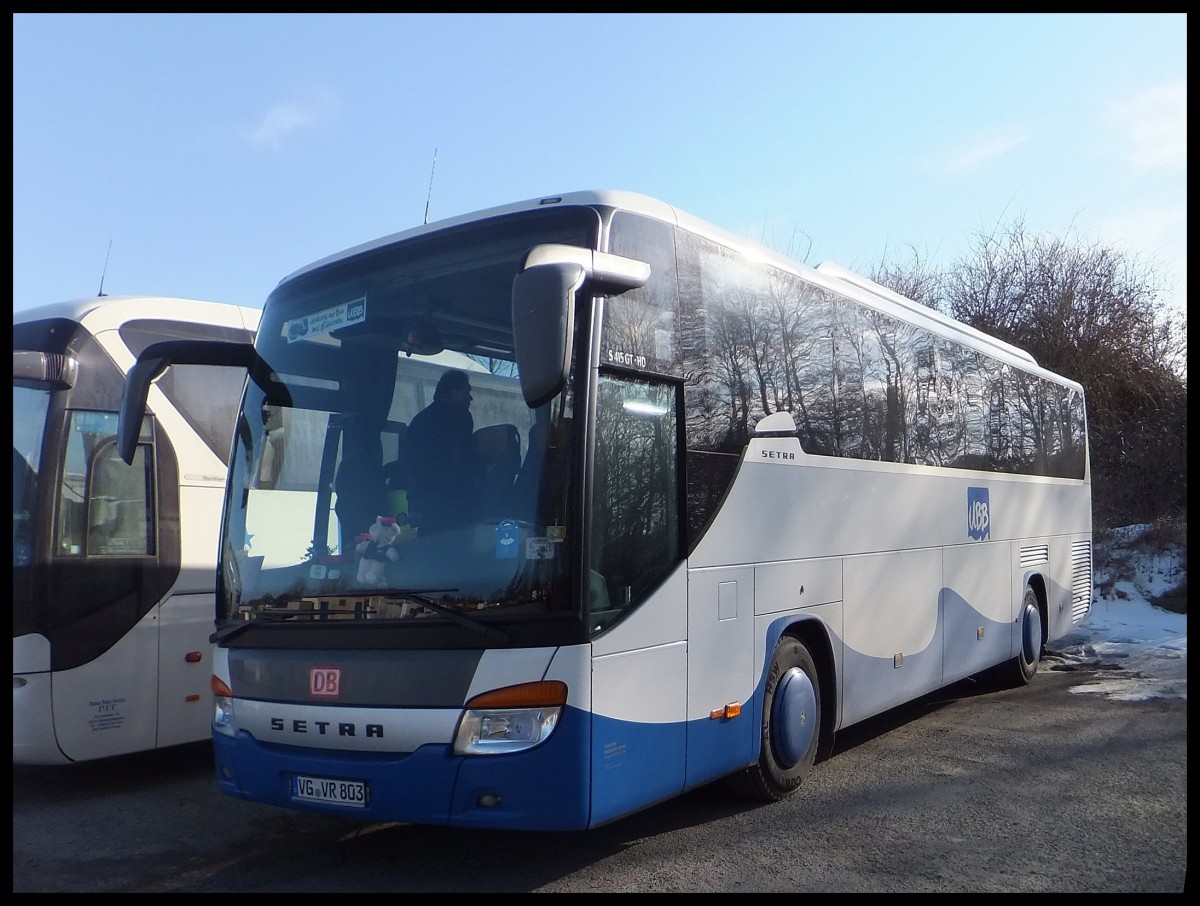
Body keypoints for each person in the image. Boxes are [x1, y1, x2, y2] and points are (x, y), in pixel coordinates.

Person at [405, 369, 478, 535]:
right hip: (453, 503)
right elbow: (462, 456)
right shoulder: (459, 416)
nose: (470, 398)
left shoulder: (420, 419)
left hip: (423, 502)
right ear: (453, 391)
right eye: (466, 391)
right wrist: (482, 471)